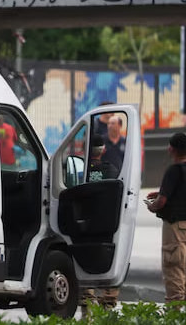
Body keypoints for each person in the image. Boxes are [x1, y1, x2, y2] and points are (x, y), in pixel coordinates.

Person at [146, 132, 186, 305]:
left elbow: (162, 202)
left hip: (174, 227)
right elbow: (182, 192)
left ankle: (175, 311)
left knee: (174, 266)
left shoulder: (173, 170)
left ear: (172, 148)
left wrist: (151, 205)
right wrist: (160, 193)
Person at [80, 134, 120, 314]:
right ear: (103, 150)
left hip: (85, 225)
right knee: (110, 260)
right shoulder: (111, 170)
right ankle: (108, 303)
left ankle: (87, 304)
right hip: (106, 224)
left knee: (84, 262)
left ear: (85, 148)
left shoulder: (80, 171)